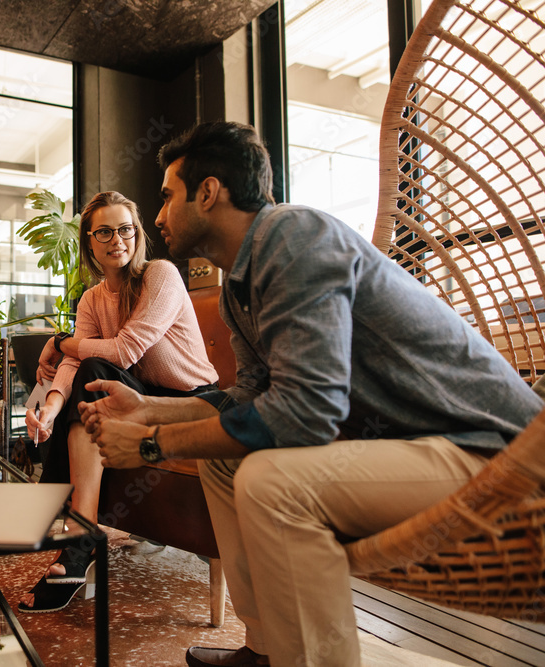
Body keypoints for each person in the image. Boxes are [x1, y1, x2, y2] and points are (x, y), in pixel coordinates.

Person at [78, 122, 543, 667]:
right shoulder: (239, 288)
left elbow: (305, 415)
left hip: (500, 457)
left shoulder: (295, 238)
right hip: (417, 450)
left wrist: (155, 443)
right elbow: (249, 396)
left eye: (167, 196)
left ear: (207, 192)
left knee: (272, 481)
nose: (156, 218)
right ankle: (265, 646)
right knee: (224, 462)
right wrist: (148, 407)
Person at [18, 191, 219, 613]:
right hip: (139, 398)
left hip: (191, 400)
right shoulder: (92, 298)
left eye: (125, 229)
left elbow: (125, 351)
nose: (117, 239)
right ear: (89, 242)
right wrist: (51, 406)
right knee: (89, 377)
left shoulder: (160, 275)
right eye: (104, 231)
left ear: (137, 233)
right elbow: (78, 359)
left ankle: (77, 541)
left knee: (95, 372)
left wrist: (58, 341)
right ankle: (82, 535)